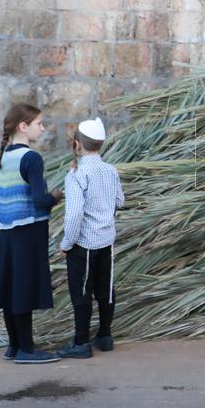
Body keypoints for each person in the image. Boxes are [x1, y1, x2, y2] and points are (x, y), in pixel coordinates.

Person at [0, 103, 62, 364]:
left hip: (8, 232)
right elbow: (40, 200)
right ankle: (27, 350)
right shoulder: (31, 158)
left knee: (10, 288)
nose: (43, 128)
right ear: (23, 126)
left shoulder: (5, 155)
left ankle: (14, 344)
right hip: (29, 231)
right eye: (39, 123)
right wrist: (57, 195)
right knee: (23, 289)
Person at [57, 118, 125, 359]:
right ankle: (105, 336)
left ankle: (81, 342)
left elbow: (74, 214)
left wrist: (66, 244)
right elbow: (120, 202)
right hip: (106, 240)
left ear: (77, 145)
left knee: (81, 292)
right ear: (101, 144)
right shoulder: (110, 170)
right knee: (105, 288)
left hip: (83, 243)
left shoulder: (76, 175)